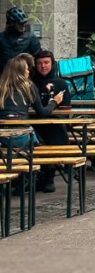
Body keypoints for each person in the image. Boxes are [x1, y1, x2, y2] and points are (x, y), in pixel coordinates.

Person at [1, 53, 64, 194]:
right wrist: (55, 101)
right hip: (22, 136)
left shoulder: (2, 86)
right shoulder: (28, 86)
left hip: (2, 137)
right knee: (39, 145)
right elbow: (42, 112)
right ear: (21, 71)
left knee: (13, 152)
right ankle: (33, 180)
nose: (29, 71)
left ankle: (19, 181)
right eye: (26, 69)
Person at [30, 50, 72, 193]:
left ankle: (49, 176)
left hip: (53, 125)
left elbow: (66, 109)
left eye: (46, 63)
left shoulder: (61, 83)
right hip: (34, 124)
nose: (43, 66)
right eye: (40, 63)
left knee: (54, 132)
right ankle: (32, 177)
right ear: (35, 65)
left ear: (52, 64)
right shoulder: (30, 83)